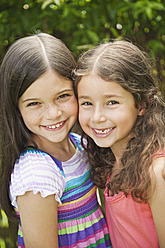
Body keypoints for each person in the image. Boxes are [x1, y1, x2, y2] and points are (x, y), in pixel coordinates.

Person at [0, 33, 111, 248]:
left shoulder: (79, 144)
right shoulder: (37, 176)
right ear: (17, 109)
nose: (53, 114)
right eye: (34, 104)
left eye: (62, 97)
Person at [74, 40, 165, 248]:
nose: (97, 117)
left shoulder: (156, 172)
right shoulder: (107, 161)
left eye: (112, 102)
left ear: (141, 104)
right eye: (87, 103)